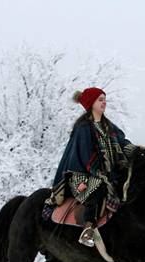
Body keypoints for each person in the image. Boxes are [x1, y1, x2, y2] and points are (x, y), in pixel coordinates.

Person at [52, 87, 137, 247]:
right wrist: (104, 174)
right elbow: (85, 156)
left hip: (107, 172)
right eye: (100, 99)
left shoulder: (109, 126)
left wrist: (136, 151)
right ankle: (89, 228)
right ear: (91, 103)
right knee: (100, 186)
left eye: (105, 99)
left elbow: (122, 142)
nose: (104, 102)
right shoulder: (83, 128)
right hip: (82, 174)